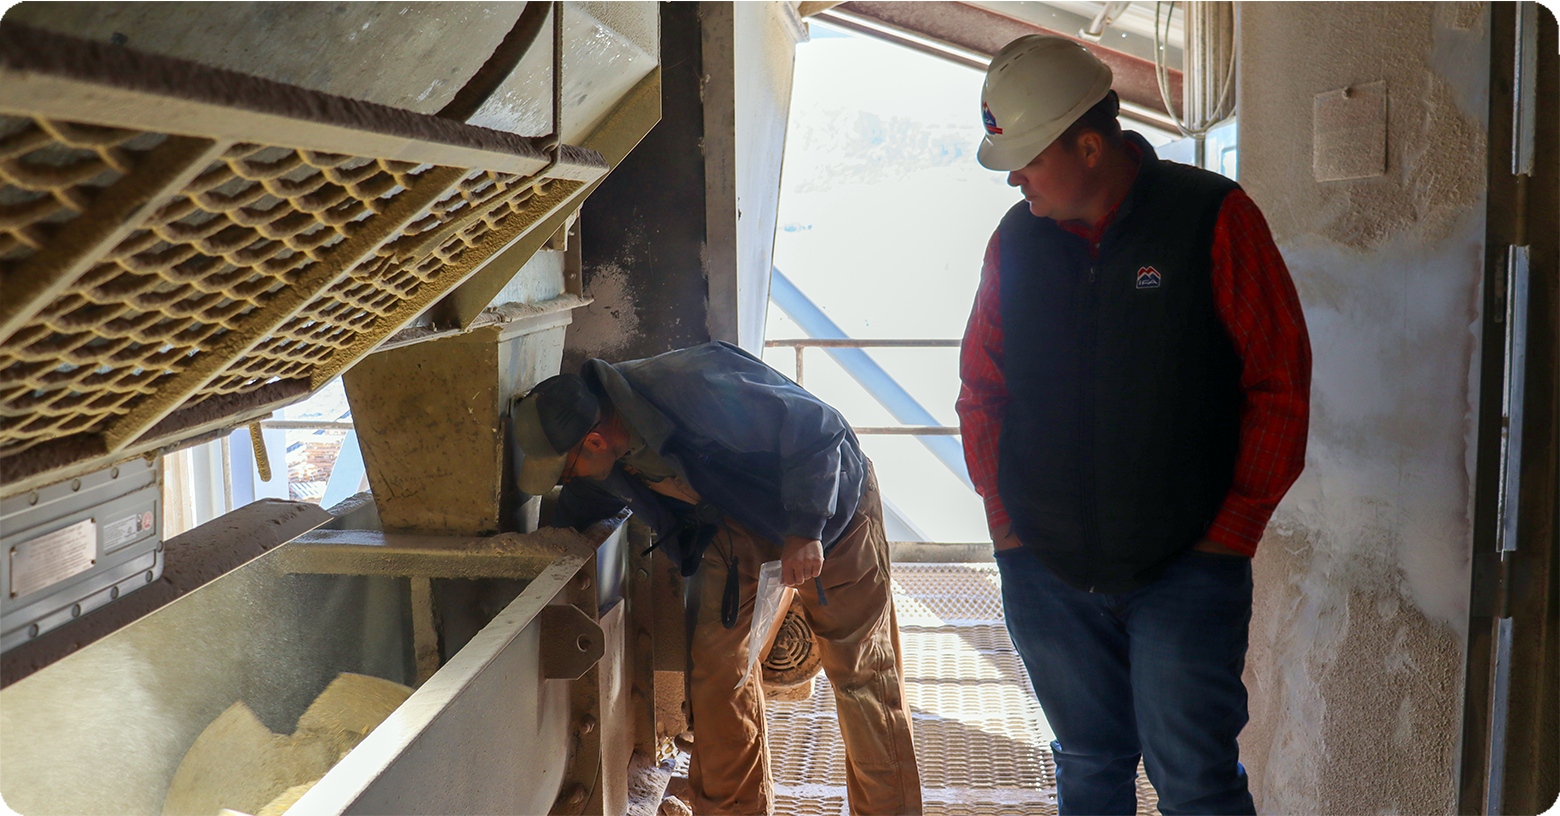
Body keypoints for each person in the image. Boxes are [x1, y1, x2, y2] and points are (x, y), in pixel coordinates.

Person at [956, 35, 1311, 816]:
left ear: (1089, 145)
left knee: (1195, 784)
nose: (1012, 177)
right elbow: (982, 391)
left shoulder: (1212, 219)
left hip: (1186, 572)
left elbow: (1279, 385)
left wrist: (1229, 539)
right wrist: (1008, 528)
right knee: (1088, 766)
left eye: (1026, 157)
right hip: (1046, 571)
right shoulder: (1015, 244)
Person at [513, 341, 922, 816]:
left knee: (861, 675)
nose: (571, 478)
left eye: (567, 469)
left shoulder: (696, 385)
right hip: (737, 530)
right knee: (716, 675)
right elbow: (583, 511)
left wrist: (807, 528)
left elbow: (819, 427)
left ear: (596, 441)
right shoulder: (606, 451)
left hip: (833, 516)